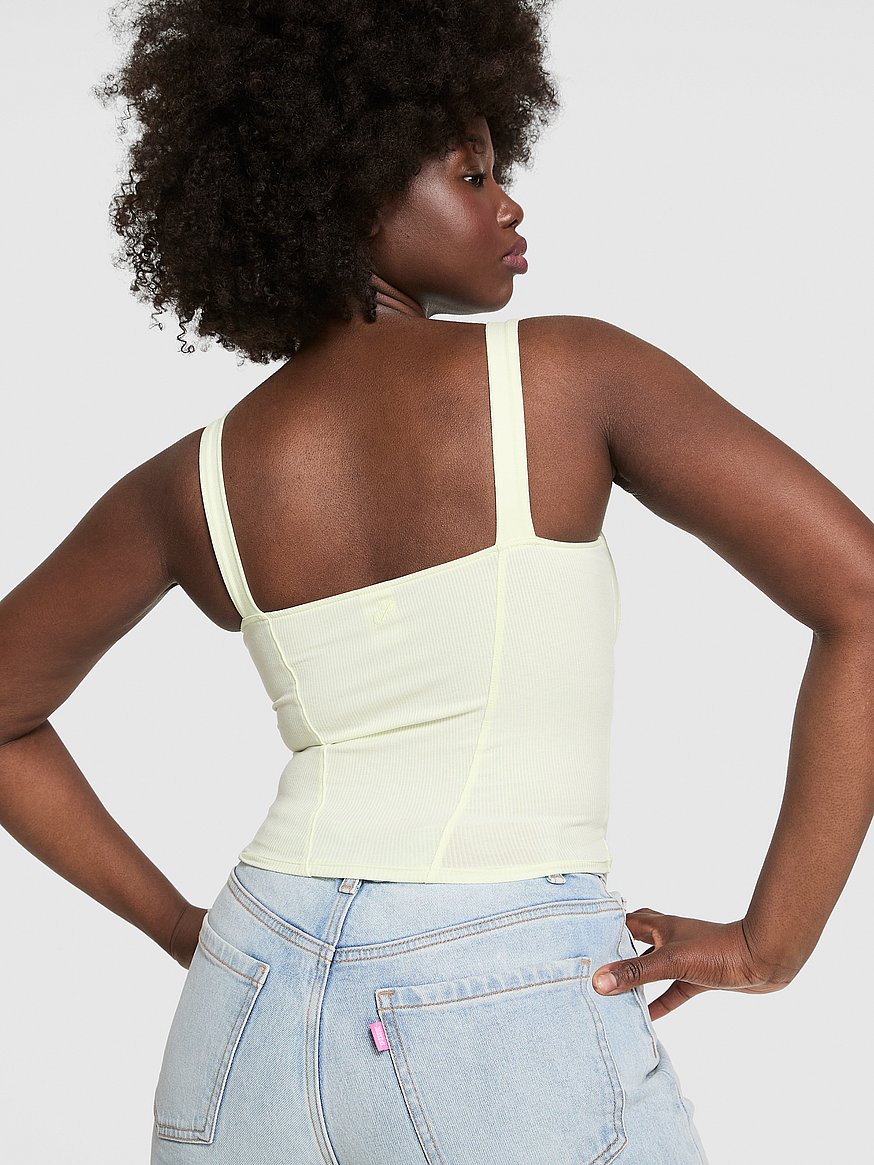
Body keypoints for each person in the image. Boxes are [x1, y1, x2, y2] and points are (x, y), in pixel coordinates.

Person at [2, 1, 872, 1161]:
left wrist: (184, 932)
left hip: (249, 997)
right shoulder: (569, 377)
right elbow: (861, 595)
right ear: (355, 194)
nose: (509, 205)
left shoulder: (192, 481)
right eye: (472, 173)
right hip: (499, 986)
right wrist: (772, 944)